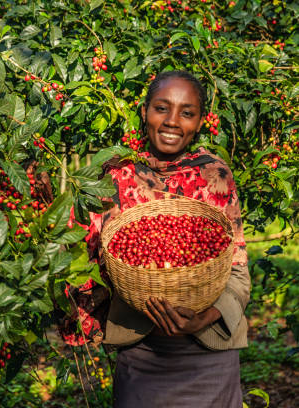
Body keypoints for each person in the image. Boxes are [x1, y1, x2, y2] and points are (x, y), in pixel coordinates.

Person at [61, 70, 250, 407]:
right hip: (142, 351)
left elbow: (237, 271)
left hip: (209, 355)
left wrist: (203, 318)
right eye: (162, 108)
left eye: (187, 113)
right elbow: (81, 256)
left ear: (200, 121)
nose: (172, 122)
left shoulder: (215, 174)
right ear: (145, 111)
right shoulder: (117, 175)